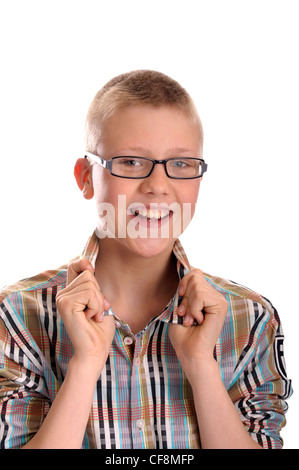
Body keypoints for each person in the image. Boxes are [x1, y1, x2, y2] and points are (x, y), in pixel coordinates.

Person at [0, 70, 292, 449]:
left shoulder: (250, 320)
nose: (157, 185)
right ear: (86, 177)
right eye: (132, 162)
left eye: (181, 164)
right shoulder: (18, 316)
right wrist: (85, 364)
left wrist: (203, 367)